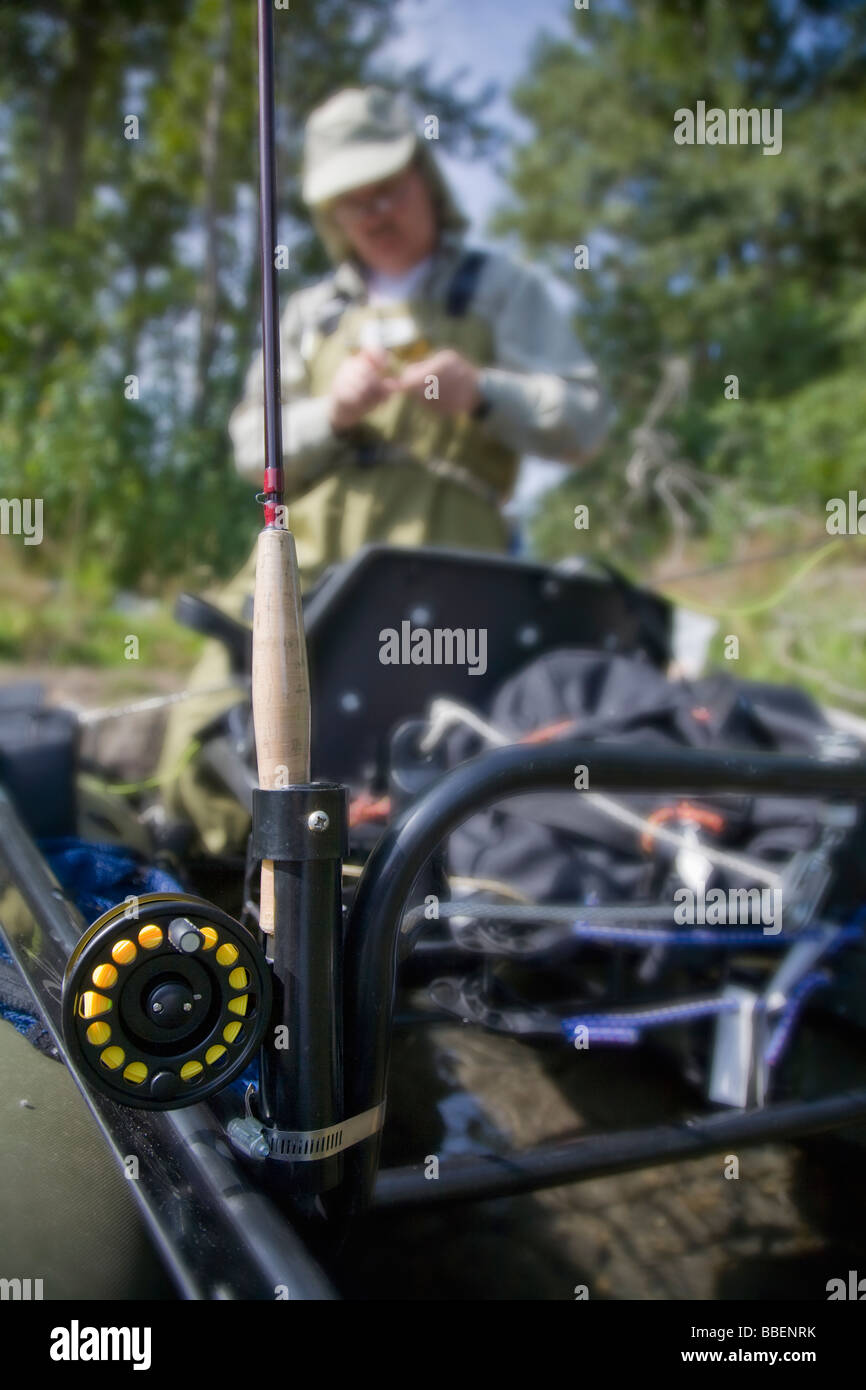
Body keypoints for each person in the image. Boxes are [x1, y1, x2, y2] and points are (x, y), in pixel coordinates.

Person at [159, 85, 608, 852]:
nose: (374, 213)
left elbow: (584, 421)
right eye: (349, 202)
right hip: (309, 559)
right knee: (210, 722)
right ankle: (206, 869)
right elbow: (248, 447)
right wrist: (329, 413)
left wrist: (483, 392)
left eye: (387, 188)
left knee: (420, 757)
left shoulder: (502, 289)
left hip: (451, 563)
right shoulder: (307, 315)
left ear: (425, 178)